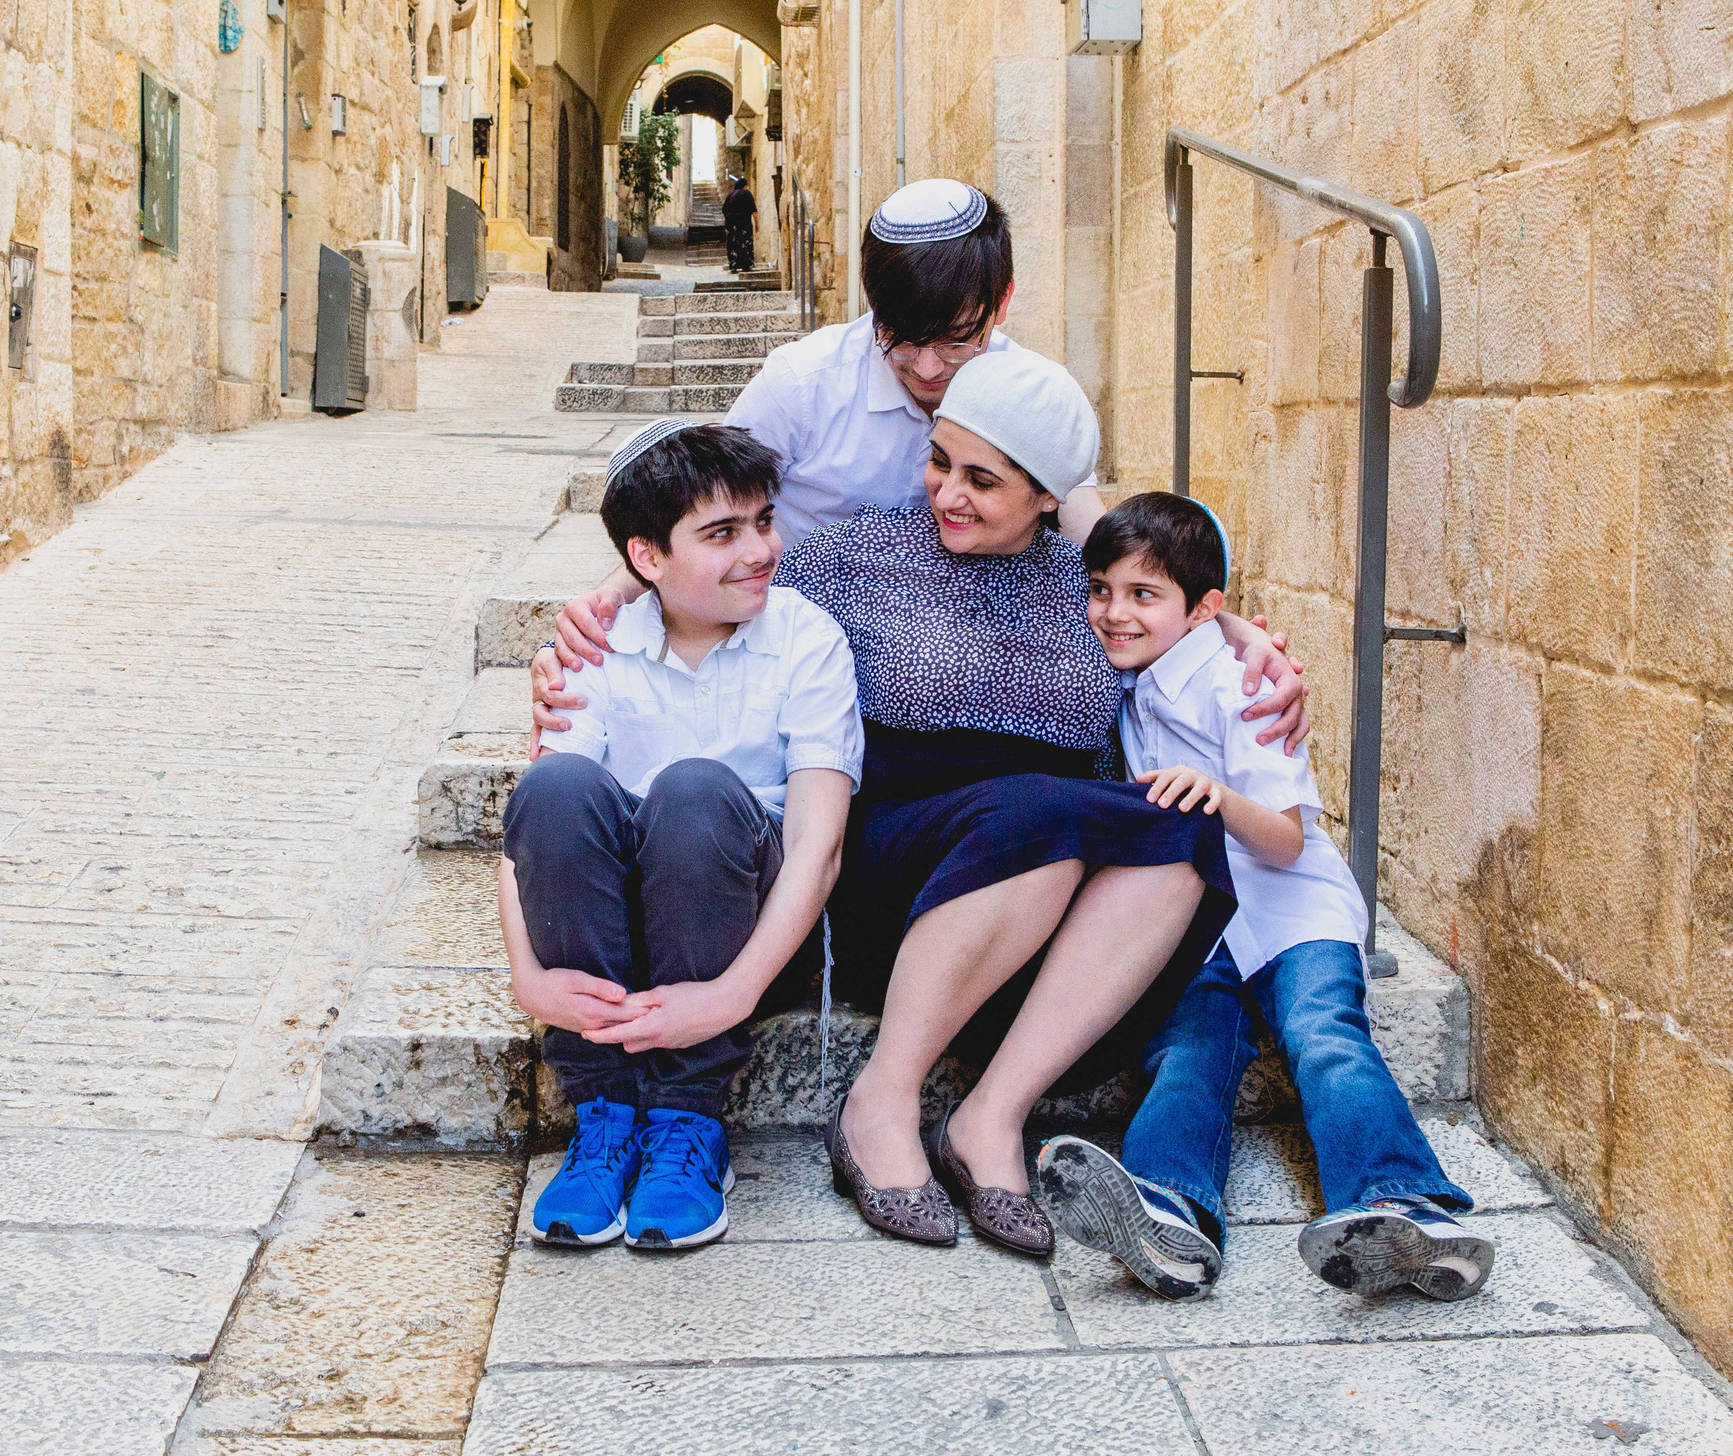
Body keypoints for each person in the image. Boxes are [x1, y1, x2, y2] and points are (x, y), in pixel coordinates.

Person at [534, 179, 1310, 750]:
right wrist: (604, 605)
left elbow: (1101, 540)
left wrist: (1224, 628)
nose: (932, 368)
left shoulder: (1018, 391)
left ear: (1002, 302)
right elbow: (697, 508)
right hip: (801, 655)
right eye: (902, 338)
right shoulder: (803, 384)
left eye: (958, 339)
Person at [777, 352, 1237, 1255]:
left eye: (981, 479)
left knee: (1183, 830)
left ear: (1047, 496)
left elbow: (1189, 620)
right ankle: (879, 1099)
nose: (946, 491)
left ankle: (990, 1114)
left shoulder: (1094, 587)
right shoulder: (853, 556)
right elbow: (716, 596)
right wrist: (602, 613)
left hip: (1038, 909)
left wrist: (1242, 634)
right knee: (1043, 812)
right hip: (893, 880)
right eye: (939, 460)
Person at [1035, 492, 1496, 1302]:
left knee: (1323, 1035)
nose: (1113, 612)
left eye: (1143, 595)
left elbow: (1283, 838)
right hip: (1200, 926)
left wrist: (1212, 794)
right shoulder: (1132, 674)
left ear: (1203, 607)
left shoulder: (1239, 685)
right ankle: (1167, 1208)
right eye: (1101, 589)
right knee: (1187, 1052)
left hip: (1293, 915)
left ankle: (1405, 1201)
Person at [500, 420, 862, 1253]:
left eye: (764, 521)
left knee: (693, 790)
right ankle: (606, 1116)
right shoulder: (599, 646)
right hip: (610, 930)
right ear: (647, 557)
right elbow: (530, 831)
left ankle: (686, 1122)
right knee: (556, 784)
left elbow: (819, 845)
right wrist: (528, 976)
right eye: (722, 533)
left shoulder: (806, 638)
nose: (760, 549)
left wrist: (734, 991)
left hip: (737, 918)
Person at [721, 173, 758, 272]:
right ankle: (746, 264)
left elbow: (724, 210)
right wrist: (757, 224)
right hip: (744, 223)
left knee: (733, 243)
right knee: (744, 242)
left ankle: (733, 264)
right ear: (744, 185)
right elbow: (754, 211)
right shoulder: (747, 194)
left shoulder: (730, 195)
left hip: (731, 224)